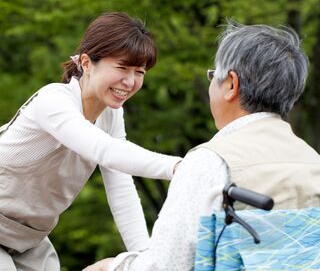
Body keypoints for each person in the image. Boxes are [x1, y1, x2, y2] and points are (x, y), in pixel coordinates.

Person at [84, 21, 320, 271]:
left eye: (212, 76)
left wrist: (112, 266)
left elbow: (167, 265)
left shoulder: (212, 161)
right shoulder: (312, 161)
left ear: (231, 84)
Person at [0, 12, 181, 270]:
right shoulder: (53, 100)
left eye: (139, 71)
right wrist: (180, 167)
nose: (129, 82)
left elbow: (120, 185)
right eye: (121, 67)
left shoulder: (111, 114)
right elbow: (106, 150)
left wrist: (145, 257)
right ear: (86, 62)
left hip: (30, 239)